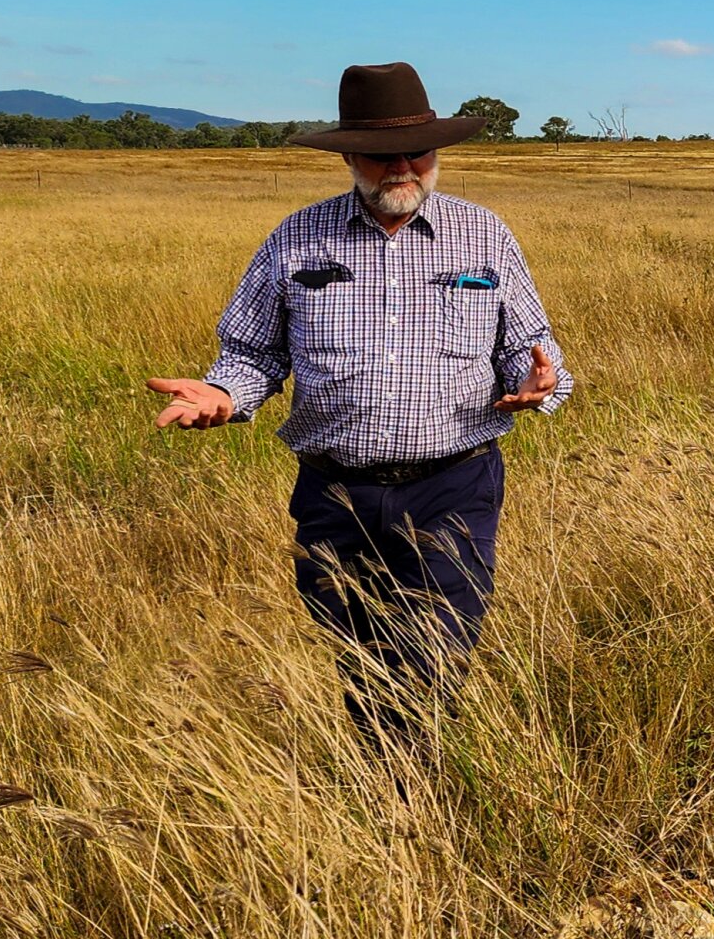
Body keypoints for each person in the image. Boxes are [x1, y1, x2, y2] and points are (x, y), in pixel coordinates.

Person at [146, 62, 573, 762]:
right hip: (334, 495)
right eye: (383, 153)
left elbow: (530, 352)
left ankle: (405, 806)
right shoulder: (297, 239)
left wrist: (539, 384)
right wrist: (225, 395)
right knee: (362, 658)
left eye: (420, 151)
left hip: (452, 488)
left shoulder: (485, 236)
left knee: (430, 657)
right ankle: (389, 792)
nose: (405, 166)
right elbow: (252, 352)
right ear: (348, 155)